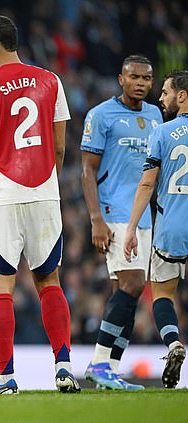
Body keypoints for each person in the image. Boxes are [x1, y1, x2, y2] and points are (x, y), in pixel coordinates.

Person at [0, 15, 80, 394]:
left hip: (3, 197)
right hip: (45, 193)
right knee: (49, 281)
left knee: (0, 286)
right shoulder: (51, 80)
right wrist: (48, 185)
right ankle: (63, 367)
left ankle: (7, 377)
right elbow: (60, 147)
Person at [80, 55, 162, 390]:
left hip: (145, 216)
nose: (141, 83)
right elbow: (87, 170)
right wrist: (95, 217)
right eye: (134, 77)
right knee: (133, 284)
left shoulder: (157, 116)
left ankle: (109, 370)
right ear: (120, 79)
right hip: (114, 213)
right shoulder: (101, 115)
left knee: (125, 292)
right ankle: (100, 363)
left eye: (147, 78)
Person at [124, 70, 188, 389]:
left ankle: (174, 343)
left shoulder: (162, 133)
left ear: (182, 96)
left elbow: (148, 182)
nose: (159, 98)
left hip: (172, 226)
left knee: (162, 294)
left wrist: (132, 227)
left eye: (165, 93)